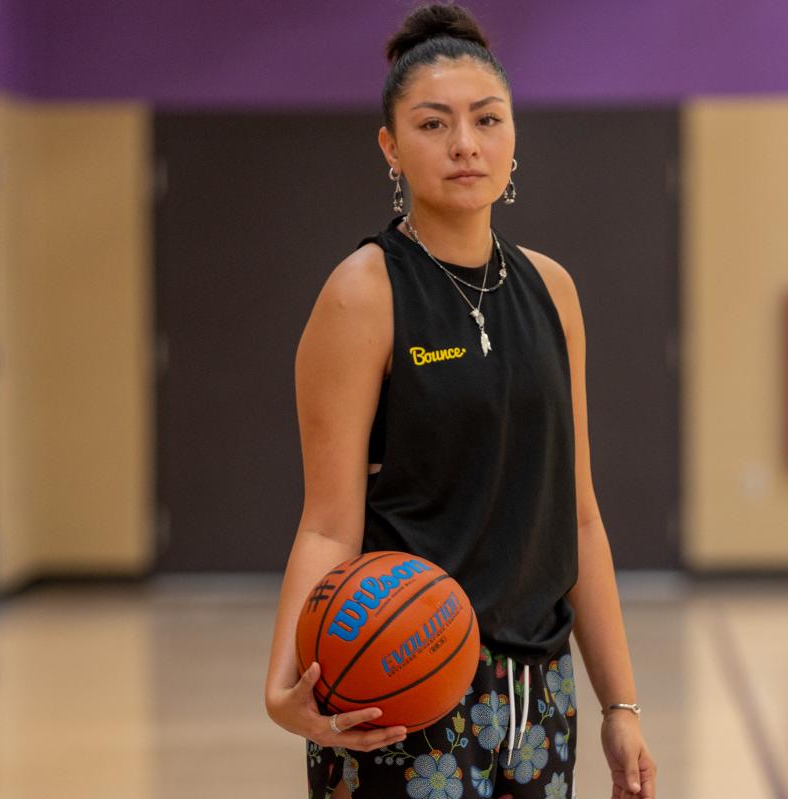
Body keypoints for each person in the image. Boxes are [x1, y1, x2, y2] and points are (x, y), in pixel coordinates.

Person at [264, 4, 656, 797]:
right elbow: (327, 521)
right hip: (401, 681)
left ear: (514, 136)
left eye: (487, 119)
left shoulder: (554, 290)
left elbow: (576, 514)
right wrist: (282, 687)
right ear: (391, 147)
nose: (465, 144)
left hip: (541, 697)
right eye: (434, 124)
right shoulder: (363, 293)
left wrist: (620, 701)